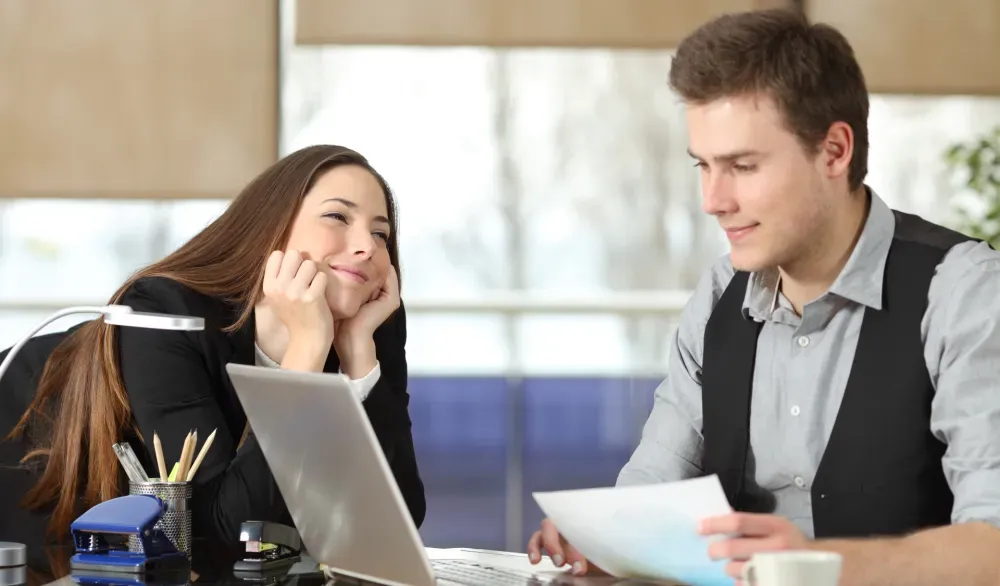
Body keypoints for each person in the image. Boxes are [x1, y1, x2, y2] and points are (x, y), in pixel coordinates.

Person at [528, 8, 1000, 585]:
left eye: (743, 166)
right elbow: (653, 484)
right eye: (704, 166)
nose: (713, 200)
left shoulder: (965, 293)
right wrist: (609, 538)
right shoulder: (718, 296)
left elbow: (994, 542)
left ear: (834, 151)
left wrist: (819, 567)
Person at [0, 145, 425, 551]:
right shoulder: (165, 310)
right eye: (337, 216)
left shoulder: (369, 328)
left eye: (381, 233)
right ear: (271, 226)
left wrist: (359, 363)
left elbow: (399, 521)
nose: (367, 246)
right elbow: (229, 526)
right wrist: (308, 347)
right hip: (36, 506)